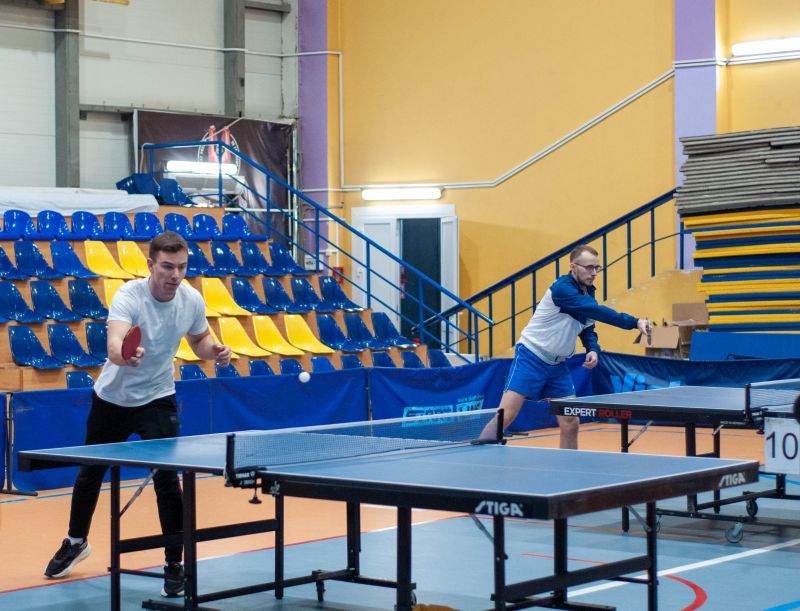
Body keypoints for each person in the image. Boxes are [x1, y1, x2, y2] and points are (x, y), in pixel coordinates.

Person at [44, 231, 232, 598]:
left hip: (158, 398)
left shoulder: (191, 299)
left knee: (167, 481)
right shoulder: (129, 296)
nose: (175, 275)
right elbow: (115, 343)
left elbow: (199, 340)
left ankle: (174, 564)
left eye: (181, 267)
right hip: (112, 399)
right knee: (89, 474)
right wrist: (124, 355)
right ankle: (76, 542)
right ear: (150, 265)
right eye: (167, 267)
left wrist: (215, 350)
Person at [482, 245, 650, 448]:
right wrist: (634, 322)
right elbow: (596, 311)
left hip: (558, 365)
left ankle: (569, 463)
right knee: (505, 416)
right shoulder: (562, 289)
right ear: (573, 266)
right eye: (589, 267)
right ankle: (478, 455)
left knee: (571, 422)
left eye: (597, 268)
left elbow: (588, 327)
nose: (594, 273)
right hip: (531, 356)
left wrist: (592, 349)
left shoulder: (588, 293)